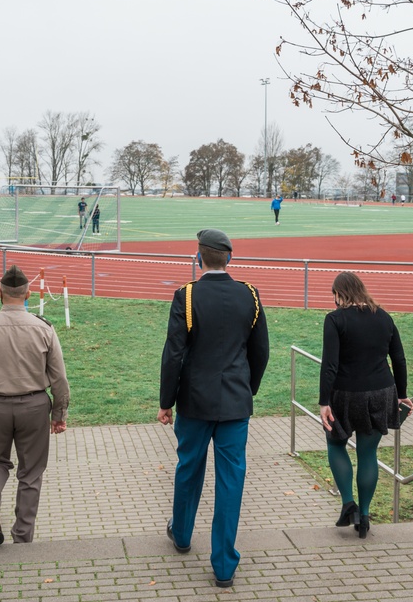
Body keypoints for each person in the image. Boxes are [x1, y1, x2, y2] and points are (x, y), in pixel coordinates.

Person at [158, 228, 270, 588]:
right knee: (231, 481)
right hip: (235, 403)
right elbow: (261, 352)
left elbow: (174, 353)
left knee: (189, 468)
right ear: (229, 258)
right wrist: (245, 391)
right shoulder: (249, 296)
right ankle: (224, 565)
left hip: (194, 401)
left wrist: (166, 402)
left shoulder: (187, 296)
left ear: (199, 256)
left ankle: (183, 535)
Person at [0, 265, 71, 546]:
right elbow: (59, 378)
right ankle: (22, 536)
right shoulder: (43, 328)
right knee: (31, 471)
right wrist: (59, 413)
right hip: (34, 406)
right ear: (28, 294)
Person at [318, 271, 412, 539]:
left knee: (336, 443)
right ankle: (366, 515)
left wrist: (324, 401)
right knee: (368, 455)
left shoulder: (335, 320)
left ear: (339, 293)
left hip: (346, 394)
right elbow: (399, 359)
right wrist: (402, 394)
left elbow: (330, 365)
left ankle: (349, 504)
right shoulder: (383, 317)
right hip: (382, 392)